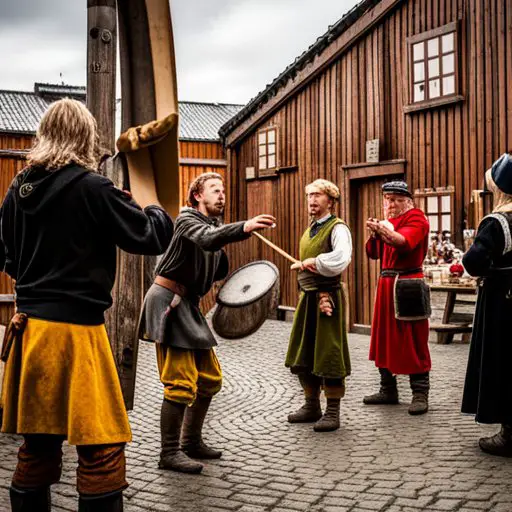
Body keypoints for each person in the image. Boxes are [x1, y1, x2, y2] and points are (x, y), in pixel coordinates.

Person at [0, 98, 173, 512]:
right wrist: (147, 205)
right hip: (76, 336)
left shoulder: (18, 186)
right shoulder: (93, 187)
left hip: (31, 332)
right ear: (86, 137)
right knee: (101, 447)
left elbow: (5, 255)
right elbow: (152, 237)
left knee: (38, 444)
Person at [139, 172, 275, 473]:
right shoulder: (187, 220)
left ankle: (191, 441)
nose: (222, 195)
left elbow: (216, 262)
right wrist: (244, 227)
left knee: (209, 379)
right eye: (215, 190)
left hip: (189, 306)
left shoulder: (211, 230)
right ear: (198, 195)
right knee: (179, 382)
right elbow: (207, 238)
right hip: (170, 303)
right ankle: (169, 452)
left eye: (223, 190)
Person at [285, 179, 352, 432]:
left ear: (331, 201)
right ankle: (311, 405)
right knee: (305, 350)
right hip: (308, 298)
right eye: (309, 195)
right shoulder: (311, 228)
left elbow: (342, 257)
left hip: (327, 298)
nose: (312, 200)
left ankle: (332, 411)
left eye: (318, 196)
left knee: (329, 351)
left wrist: (316, 261)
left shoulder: (338, 228)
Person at [364, 180, 431, 415]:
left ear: (407, 201)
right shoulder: (388, 223)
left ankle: (420, 393)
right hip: (386, 283)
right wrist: (375, 234)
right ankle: (388, 389)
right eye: (387, 199)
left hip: (408, 283)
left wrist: (382, 230)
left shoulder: (417, 218)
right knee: (382, 337)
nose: (389, 204)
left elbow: (403, 243)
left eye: (395, 199)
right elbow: (373, 253)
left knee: (413, 338)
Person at [461, 153, 512, 457]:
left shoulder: (497, 221)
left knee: (502, 359)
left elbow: (474, 261)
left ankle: (509, 434)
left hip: (502, 300)